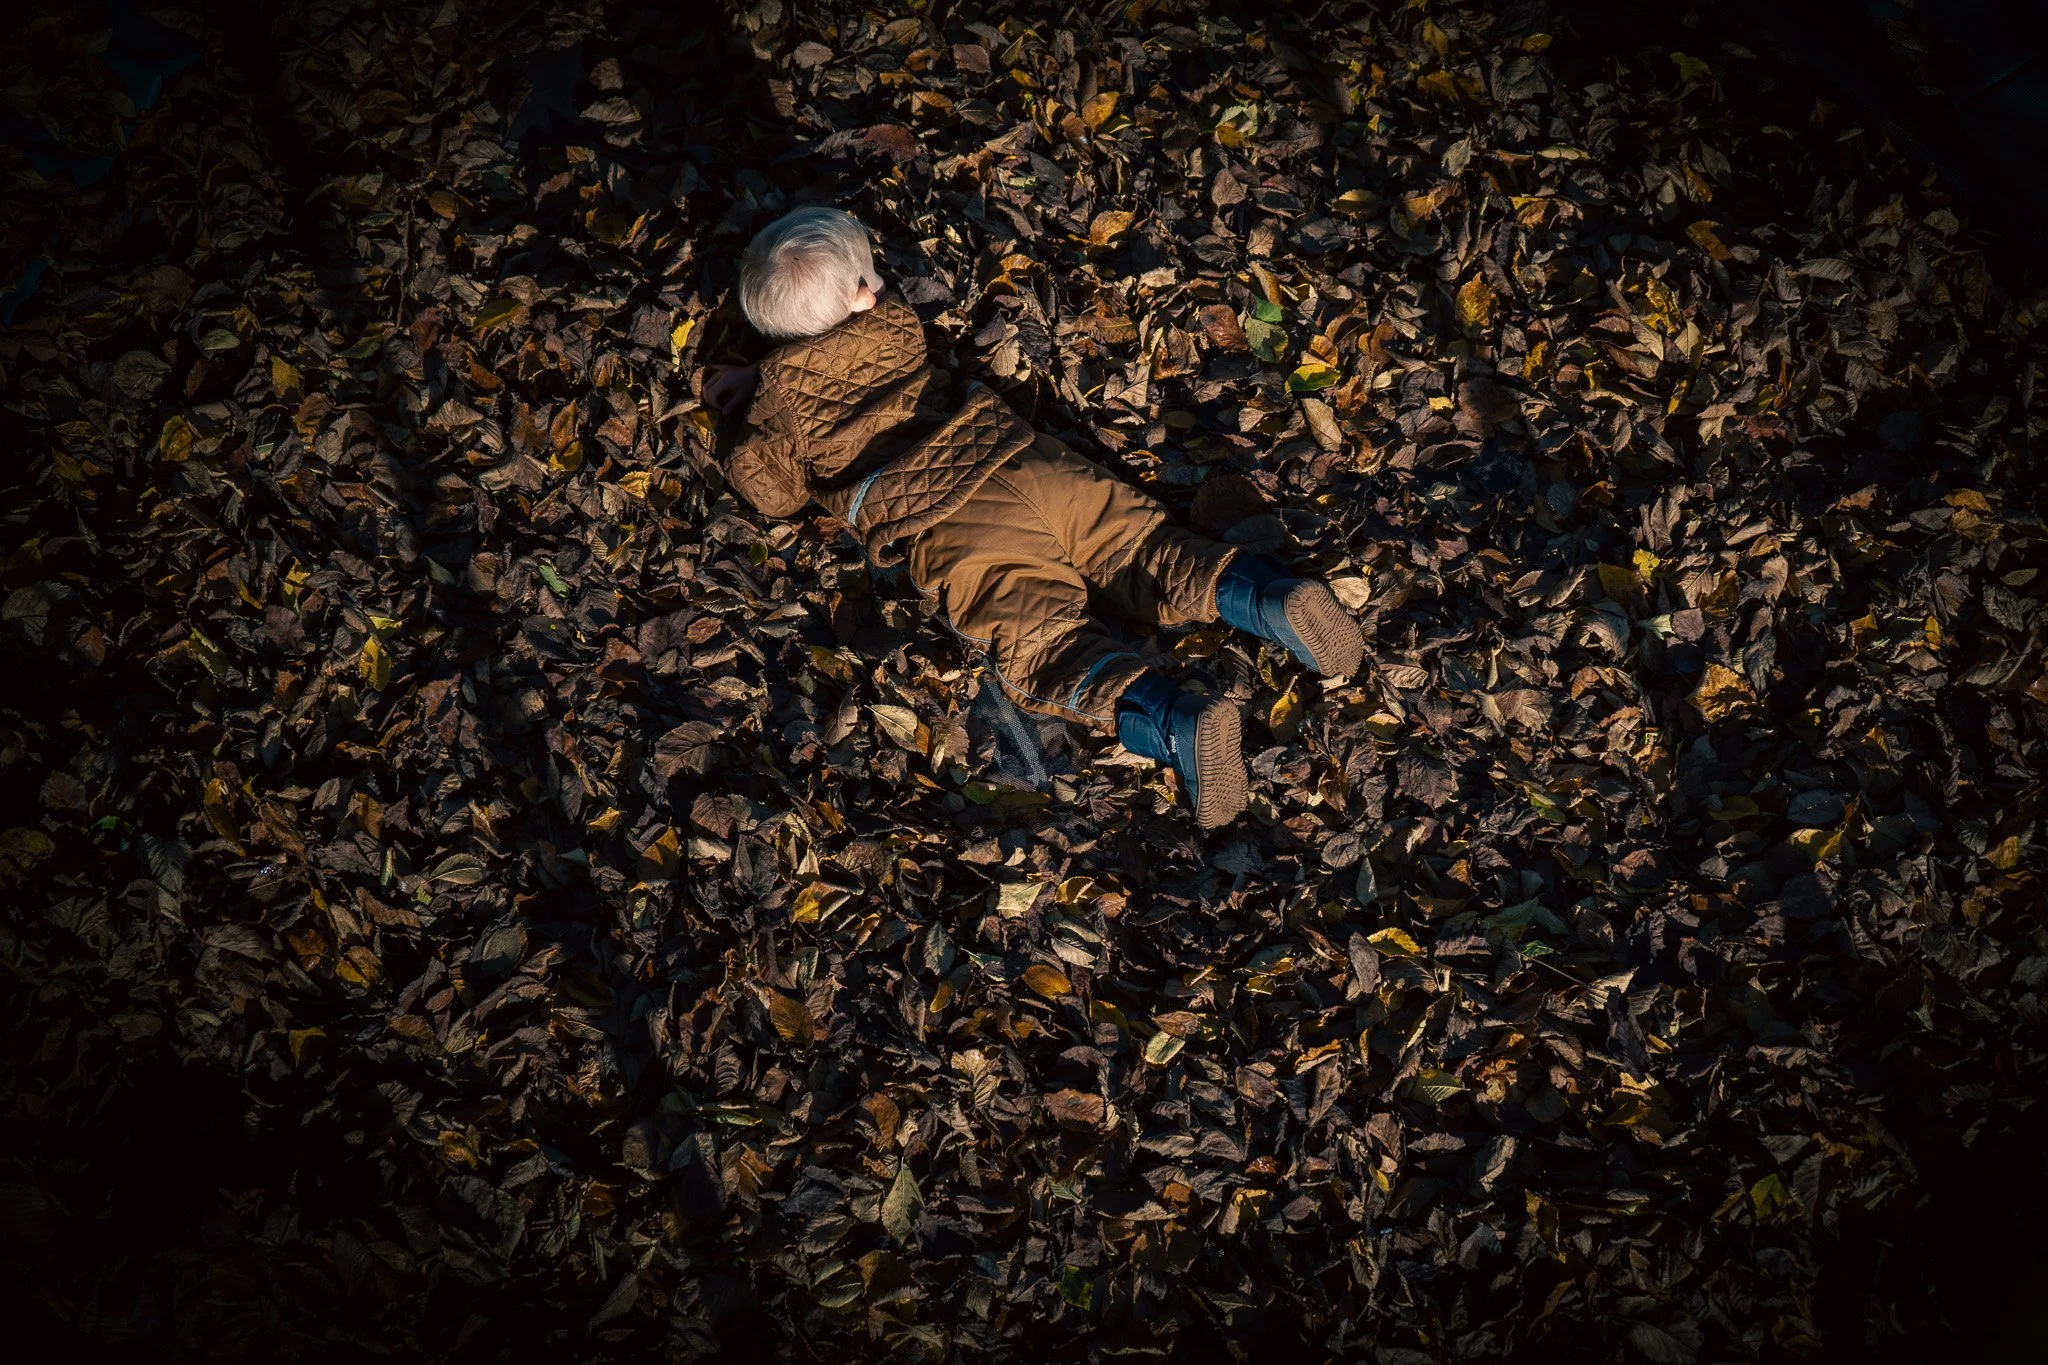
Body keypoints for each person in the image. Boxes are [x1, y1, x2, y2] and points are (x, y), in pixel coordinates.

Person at [701, 207, 1363, 828]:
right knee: (1141, 545)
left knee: (1044, 642)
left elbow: (773, 491)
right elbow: (841, 358)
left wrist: (750, 406)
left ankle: (1172, 720)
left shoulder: (777, 406)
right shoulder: (896, 326)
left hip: (949, 527)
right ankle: (1264, 596)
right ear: (863, 300)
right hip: (1023, 462)